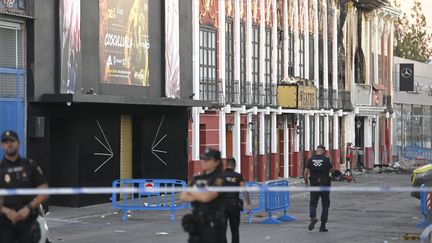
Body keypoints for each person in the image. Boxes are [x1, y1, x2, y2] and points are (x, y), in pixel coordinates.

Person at [0, 130, 49, 243]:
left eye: (12, 141)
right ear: (2, 145)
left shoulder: (30, 165)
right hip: (5, 222)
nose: (9, 144)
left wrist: (28, 208)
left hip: (28, 220)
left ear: (18, 143)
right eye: (5, 142)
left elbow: (44, 191)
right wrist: (8, 212)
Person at [181, 148, 226, 243]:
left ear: (217, 162)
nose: (204, 162)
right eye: (203, 159)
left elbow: (207, 198)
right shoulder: (197, 178)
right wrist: (200, 194)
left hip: (212, 224)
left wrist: (193, 192)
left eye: (208, 159)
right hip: (197, 223)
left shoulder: (219, 179)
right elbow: (183, 196)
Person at [303, 145, 334, 232]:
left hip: (314, 184)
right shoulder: (326, 160)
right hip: (325, 185)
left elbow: (305, 172)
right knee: (325, 205)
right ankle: (322, 226)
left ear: (317, 151)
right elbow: (332, 171)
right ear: (323, 151)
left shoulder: (310, 159)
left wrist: (306, 183)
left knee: (313, 203)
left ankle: (313, 217)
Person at [221, 158, 250, 243]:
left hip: (222, 206)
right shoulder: (238, 176)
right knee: (235, 230)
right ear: (234, 166)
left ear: (226, 165)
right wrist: (248, 204)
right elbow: (244, 190)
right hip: (234, 205)